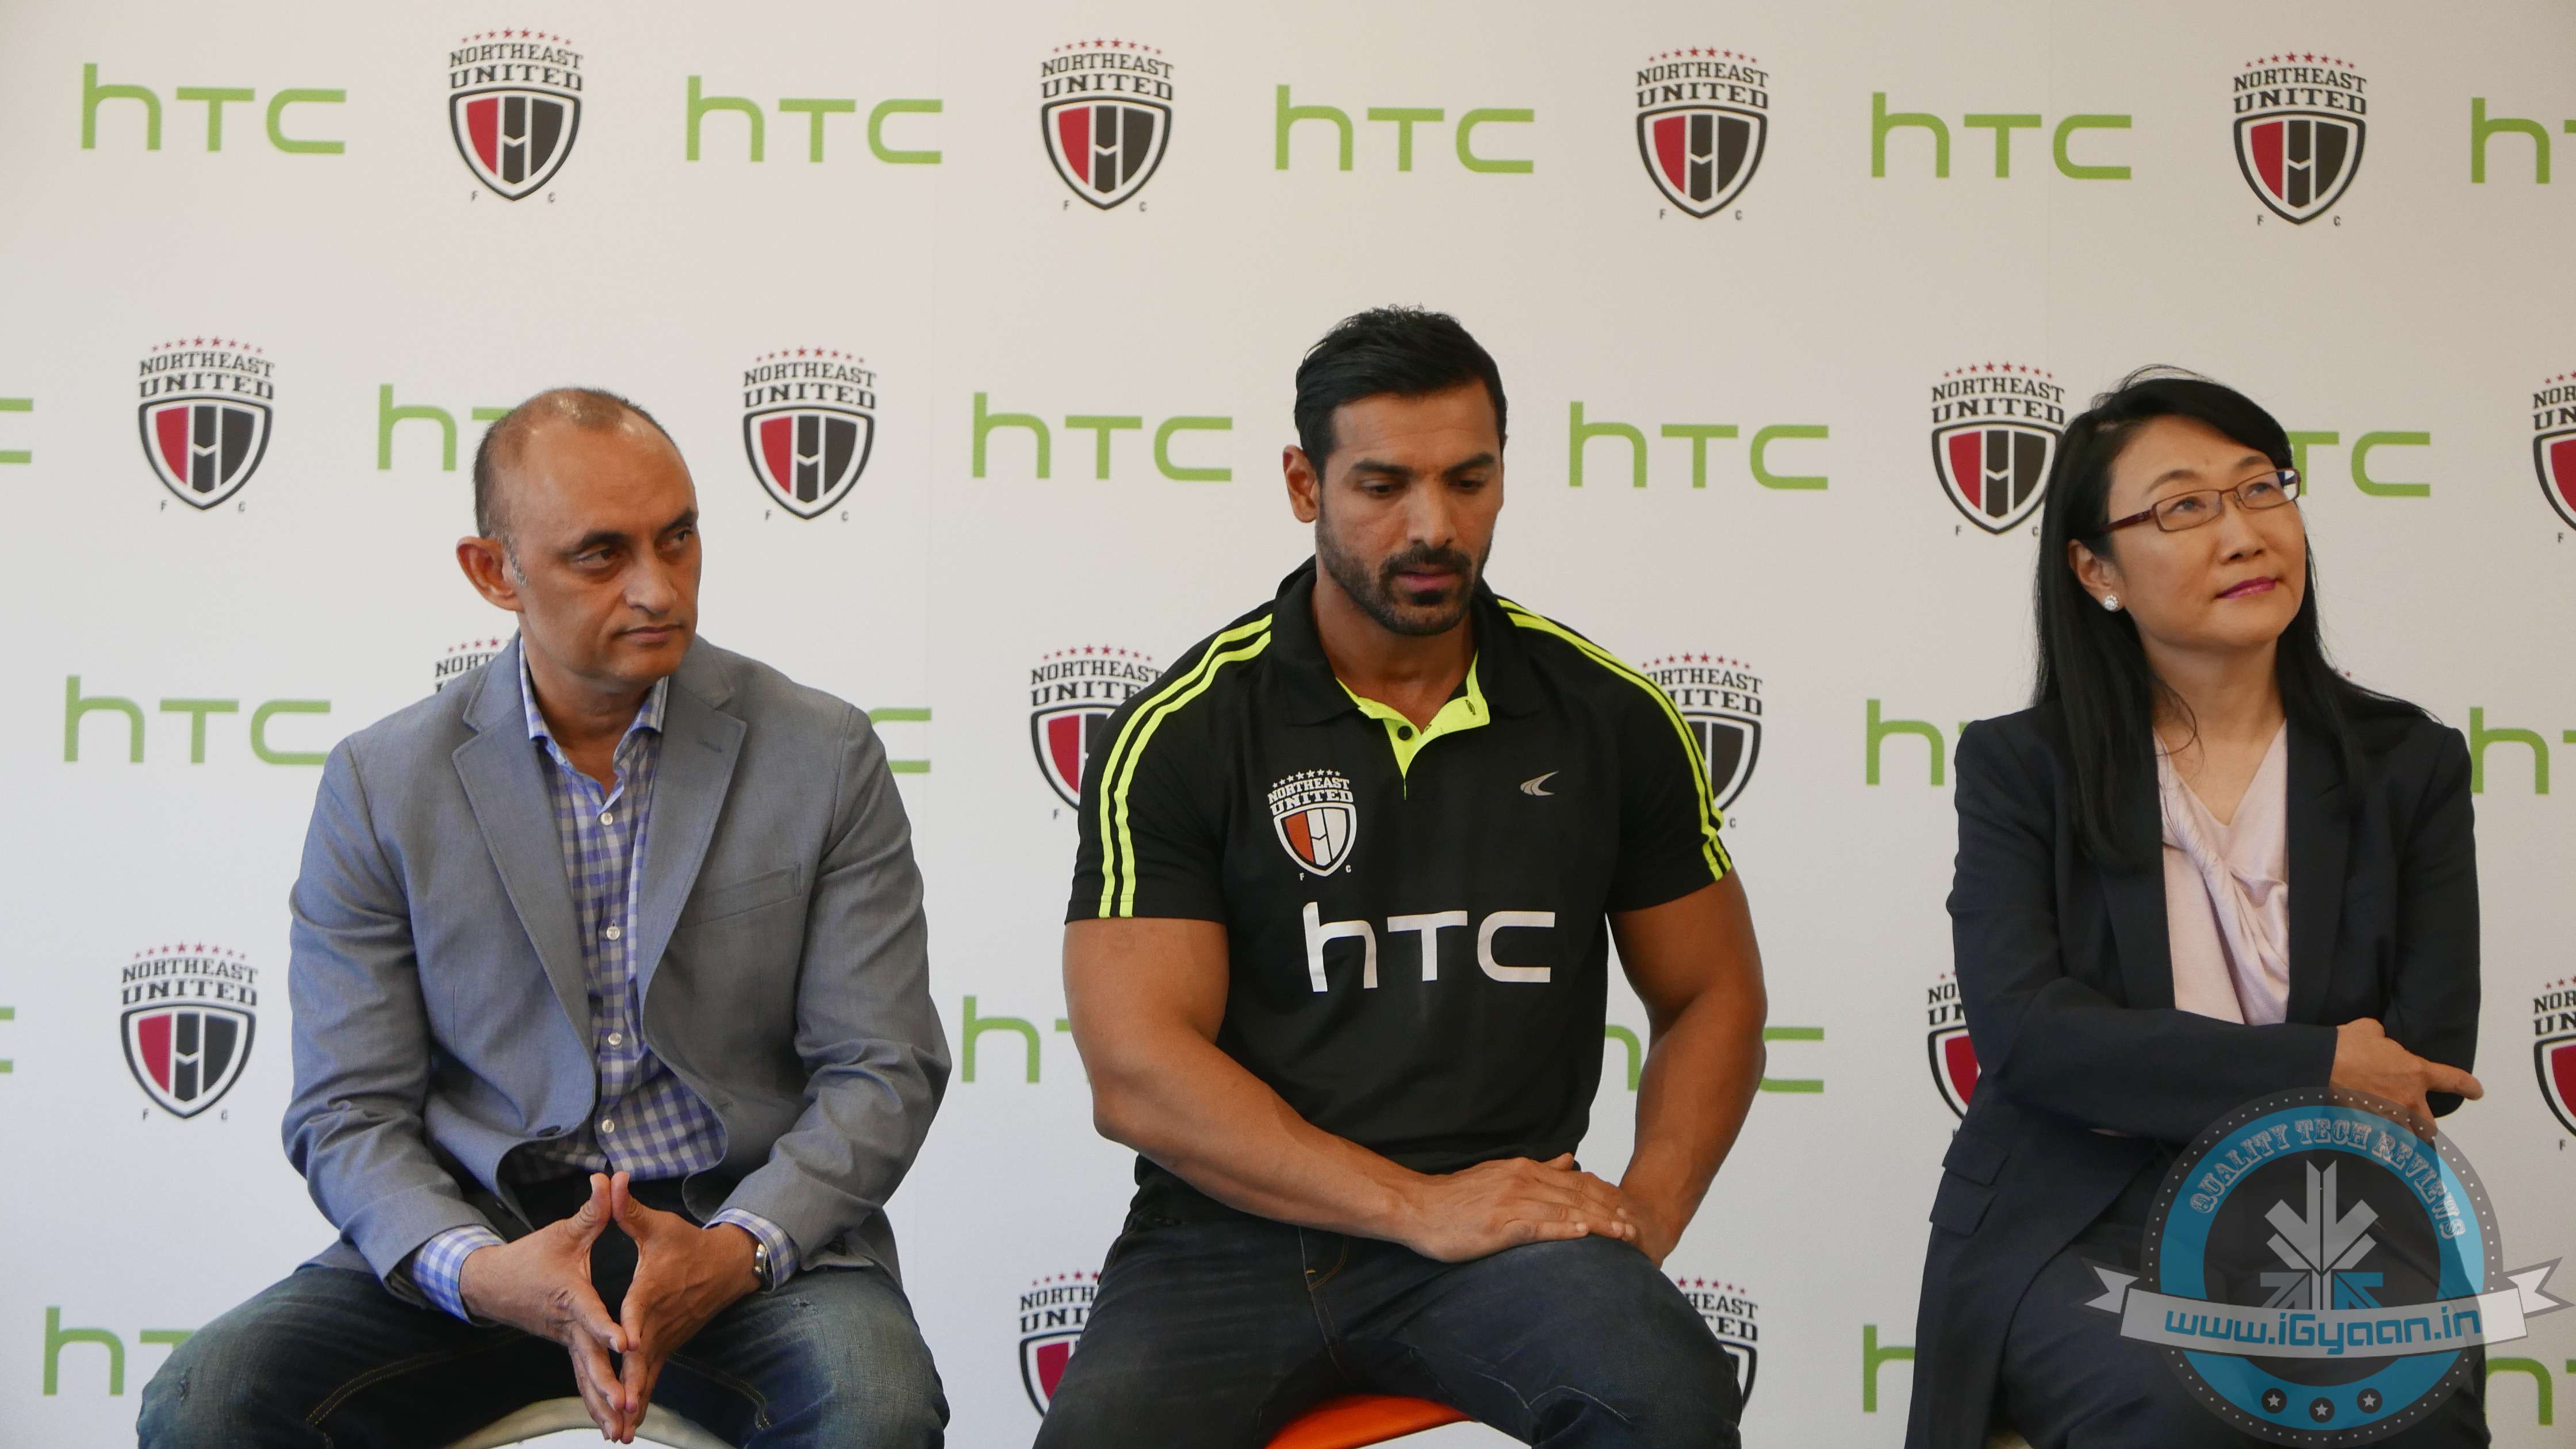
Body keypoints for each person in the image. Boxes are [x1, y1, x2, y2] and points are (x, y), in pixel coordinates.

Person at [139, 389, 950, 1448]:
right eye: (601, 555)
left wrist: (738, 1247)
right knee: (210, 1401)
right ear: (495, 572)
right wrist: (477, 1269)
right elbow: (347, 1109)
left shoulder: (823, 754)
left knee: (876, 1409)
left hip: (736, 1240)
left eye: (678, 538)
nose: (658, 587)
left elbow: (882, 1067)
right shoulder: (382, 784)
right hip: (484, 1236)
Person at [1036, 308, 1769, 1448]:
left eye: (1468, 481)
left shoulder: (1608, 716)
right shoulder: (1182, 731)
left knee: (1666, 1405)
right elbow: (1137, 1074)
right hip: (1227, 1240)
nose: (1433, 527)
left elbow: (1712, 993)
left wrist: (1642, 1221)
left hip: (1507, 1236)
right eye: (1382, 486)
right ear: (1304, 485)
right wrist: (1418, 1207)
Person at [1904, 371, 2487, 1449]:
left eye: (2261, 489)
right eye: (2184, 507)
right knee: (2184, 1405)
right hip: (2080, 1214)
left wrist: (2152, 1071)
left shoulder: (2407, 764)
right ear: (2097, 570)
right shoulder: (2025, 768)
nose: (2243, 533)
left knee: (2411, 1410)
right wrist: (2319, 1065)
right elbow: (2030, 1039)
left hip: (2327, 1210)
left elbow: (2425, 1060)